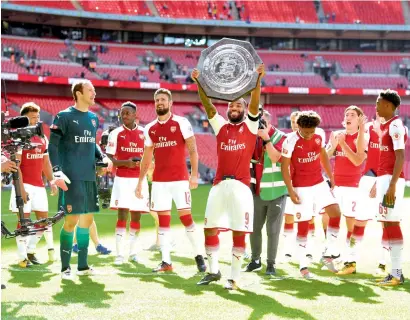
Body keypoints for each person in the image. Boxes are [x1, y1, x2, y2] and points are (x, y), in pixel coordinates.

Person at [192, 64, 265, 290]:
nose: (234, 107)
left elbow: (254, 102)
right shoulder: (221, 126)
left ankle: (234, 278)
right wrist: (199, 83)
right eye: (231, 105)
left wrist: (257, 79)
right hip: (218, 184)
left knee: (239, 231)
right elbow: (208, 107)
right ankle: (213, 271)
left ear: (244, 109)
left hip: (241, 185)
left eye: (238, 105)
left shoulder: (251, 127)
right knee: (209, 228)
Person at [136, 88, 206, 273]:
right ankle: (166, 262)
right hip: (159, 182)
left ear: (170, 103)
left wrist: (194, 175)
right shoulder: (150, 128)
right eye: (157, 100)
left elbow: (193, 150)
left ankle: (199, 255)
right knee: (163, 221)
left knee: (186, 218)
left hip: (180, 180)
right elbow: (146, 157)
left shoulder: (182, 122)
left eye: (163, 100)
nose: (159, 102)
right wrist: (140, 181)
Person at [49, 79, 105, 280]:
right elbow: (52, 146)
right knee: (71, 221)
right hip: (71, 178)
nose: (94, 93)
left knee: (87, 220)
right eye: (90, 90)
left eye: (94, 90)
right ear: (79, 93)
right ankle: (65, 267)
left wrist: (102, 156)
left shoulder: (93, 118)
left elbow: (93, 143)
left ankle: (82, 265)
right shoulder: (63, 116)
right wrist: (57, 172)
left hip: (90, 177)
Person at [281, 111, 343, 278]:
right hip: (301, 187)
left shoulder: (318, 136)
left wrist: (330, 175)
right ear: (298, 126)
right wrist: (290, 189)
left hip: (319, 183)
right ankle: (303, 266)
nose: (309, 135)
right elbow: (284, 167)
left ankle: (327, 254)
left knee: (336, 213)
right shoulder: (290, 141)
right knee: (303, 224)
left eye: (312, 131)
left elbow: (322, 155)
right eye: (305, 132)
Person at [337, 114, 391, 276]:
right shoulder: (368, 130)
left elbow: (394, 159)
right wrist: (361, 129)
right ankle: (351, 262)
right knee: (359, 223)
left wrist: (379, 182)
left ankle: (383, 263)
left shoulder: (396, 130)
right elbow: (361, 152)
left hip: (386, 180)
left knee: (386, 224)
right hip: (367, 178)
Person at [9, 102, 57, 267]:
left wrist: (52, 181)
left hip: (39, 186)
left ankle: (30, 250)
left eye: (37, 117)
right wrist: (21, 189)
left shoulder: (42, 137)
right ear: (23, 119)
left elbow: (46, 163)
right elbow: (16, 166)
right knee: (24, 222)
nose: (35, 120)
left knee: (44, 222)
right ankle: (22, 257)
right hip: (24, 184)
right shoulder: (19, 137)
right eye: (31, 117)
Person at [243, 109, 287, 276]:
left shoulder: (281, 137)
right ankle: (255, 260)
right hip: (257, 191)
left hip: (276, 191)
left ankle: (271, 264)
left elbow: (276, 158)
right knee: (254, 228)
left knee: (273, 230)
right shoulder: (251, 138)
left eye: (263, 123)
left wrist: (266, 138)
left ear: (269, 122)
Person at [106, 102, 149, 265]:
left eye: (127, 113)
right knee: (122, 214)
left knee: (136, 216)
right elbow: (109, 158)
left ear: (135, 114)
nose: (124, 116)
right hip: (122, 180)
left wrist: (144, 163)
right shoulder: (115, 133)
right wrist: (126, 163)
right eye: (122, 113)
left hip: (140, 180)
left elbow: (149, 155)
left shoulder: (145, 133)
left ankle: (133, 252)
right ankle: (119, 254)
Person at [374, 89, 407, 286]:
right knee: (386, 223)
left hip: (391, 180)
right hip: (384, 179)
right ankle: (393, 272)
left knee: (392, 223)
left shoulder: (395, 125)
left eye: (378, 103)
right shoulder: (386, 125)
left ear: (387, 104)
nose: (376, 106)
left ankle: (397, 273)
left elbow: (401, 156)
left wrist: (392, 185)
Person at [325, 106, 366, 262]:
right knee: (332, 219)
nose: (348, 117)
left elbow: (357, 161)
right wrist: (335, 144)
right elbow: (326, 157)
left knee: (351, 223)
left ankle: (350, 258)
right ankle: (331, 254)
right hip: (336, 186)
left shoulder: (362, 137)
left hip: (353, 186)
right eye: (347, 114)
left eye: (353, 115)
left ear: (359, 119)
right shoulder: (336, 135)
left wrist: (343, 145)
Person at [282, 111, 325, 261]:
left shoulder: (315, 138)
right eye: (293, 123)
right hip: (291, 185)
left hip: (308, 185)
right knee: (288, 217)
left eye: (296, 122)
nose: (295, 125)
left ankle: (308, 249)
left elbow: (319, 156)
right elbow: (284, 165)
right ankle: (287, 249)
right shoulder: (288, 140)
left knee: (309, 218)